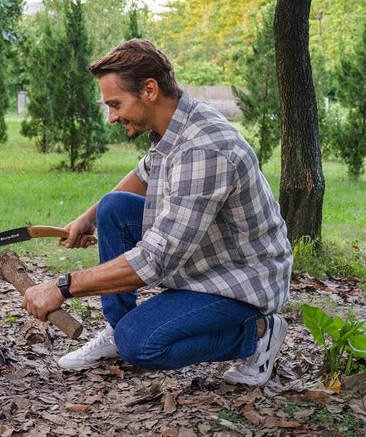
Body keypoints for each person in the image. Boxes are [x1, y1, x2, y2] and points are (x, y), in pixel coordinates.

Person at [22, 39, 292, 386]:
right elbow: (142, 176)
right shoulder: (174, 124)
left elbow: (153, 261)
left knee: (141, 344)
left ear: (150, 89)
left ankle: (257, 333)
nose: (112, 116)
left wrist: (63, 286)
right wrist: (87, 218)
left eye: (116, 104)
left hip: (240, 281)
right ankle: (116, 330)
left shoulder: (205, 149)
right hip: (207, 256)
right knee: (113, 207)